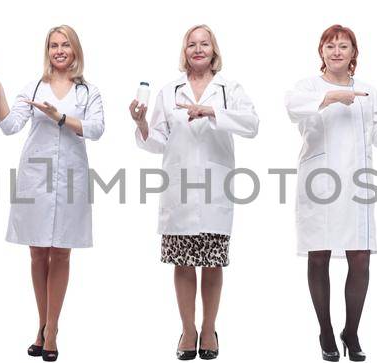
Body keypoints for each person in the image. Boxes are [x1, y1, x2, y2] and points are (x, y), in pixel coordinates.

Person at [284, 24, 377, 362]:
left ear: (354, 53)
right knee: (318, 254)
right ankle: (325, 331)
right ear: (320, 51)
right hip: (320, 182)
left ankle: (350, 331)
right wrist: (335, 96)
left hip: (356, 183)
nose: (336, 51)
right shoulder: (307, 87)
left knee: (360, 257)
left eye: (344, 46)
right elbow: (294, 108)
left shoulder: (368, 91)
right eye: (330, 46)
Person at [0, 24, 104, 362]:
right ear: (48, 51)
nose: (59, 51)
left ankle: (52, 330)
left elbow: (97, 130)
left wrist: (59, 117)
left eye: (65, 45)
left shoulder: (88, 92)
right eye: (54, 45)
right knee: (37, 254)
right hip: (35, 179)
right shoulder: (34, 87)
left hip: (70, 178)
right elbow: (9, 126)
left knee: (61, 254)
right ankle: (41, 325)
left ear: (75, 51)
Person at [128, 24, 259, 361]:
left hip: (216, 188)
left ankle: (209, 328)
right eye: (191, 45)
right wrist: (141, 123)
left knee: (213, 264)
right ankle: (188, 330)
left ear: (214, 50)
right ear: (184, 51)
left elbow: (252, 124)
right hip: (180, 189)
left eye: (204, 44)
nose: (198, 49)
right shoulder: (169, 90)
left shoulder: (229, 89)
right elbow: (157, 140)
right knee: (183, 264)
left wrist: (211, 110)